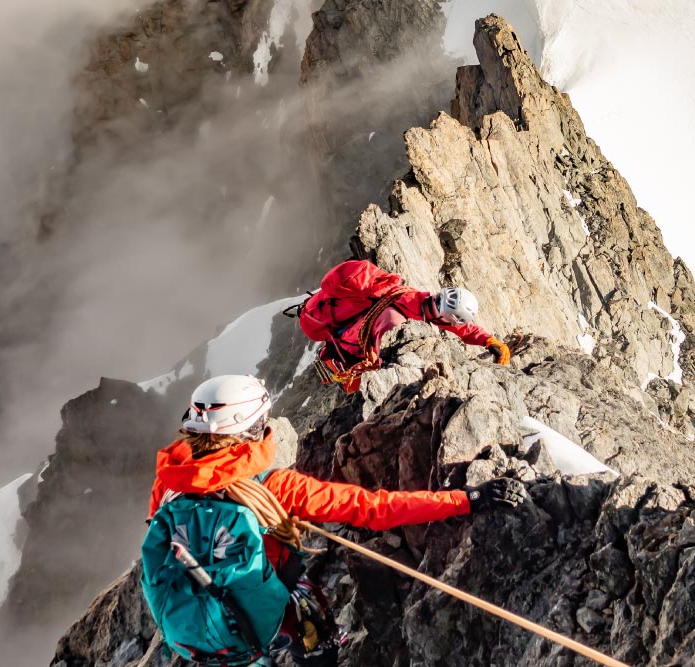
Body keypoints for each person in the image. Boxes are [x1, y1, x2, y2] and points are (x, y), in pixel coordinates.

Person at [141, 375, 527, 667]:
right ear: (252, 431)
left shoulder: (169, 481)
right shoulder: (277, 487)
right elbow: (374, 508)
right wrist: (466, 499)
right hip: (282, 611)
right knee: (315, 648)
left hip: (197, 623)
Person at [297, 259, 512, 393]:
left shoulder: (418, 300)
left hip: (347, 343)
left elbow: (457, 326)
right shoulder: (396, 319)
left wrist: (487, 339)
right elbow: (373, 354)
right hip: (345, 356)